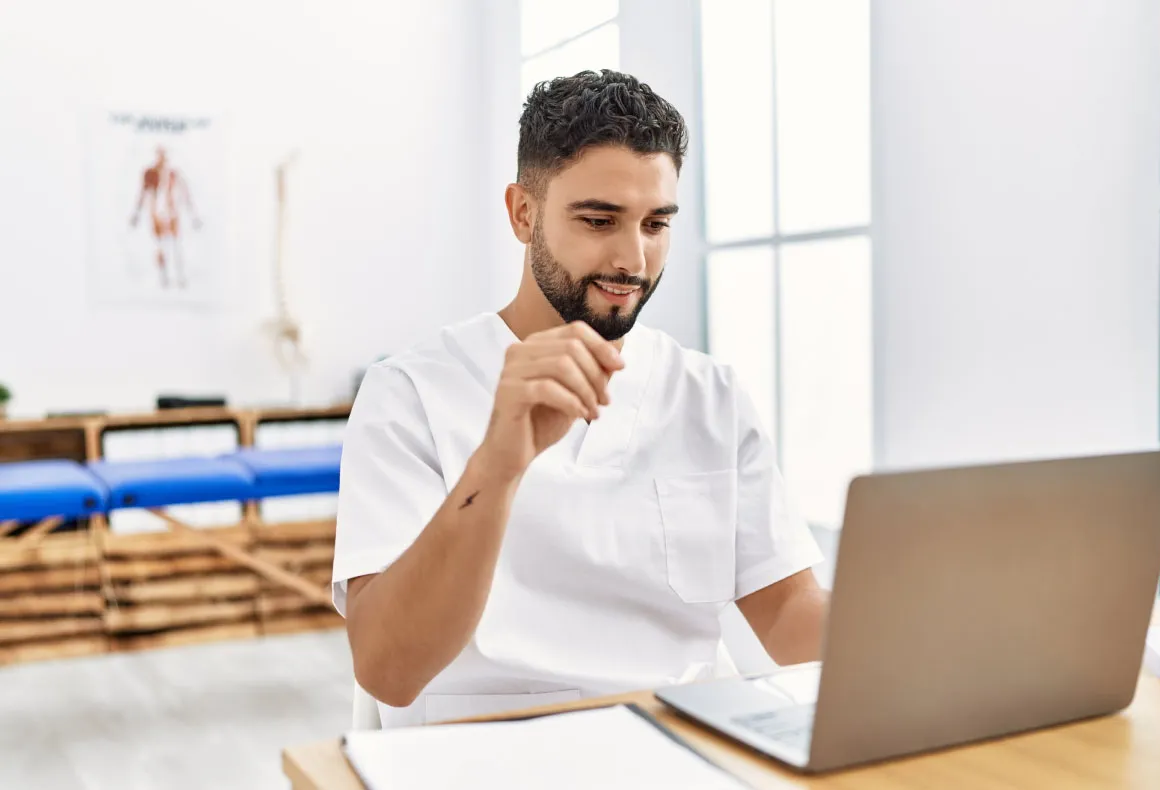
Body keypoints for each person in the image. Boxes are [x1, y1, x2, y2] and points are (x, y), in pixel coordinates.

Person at [334, 70, 829, 728]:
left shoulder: (709, 394)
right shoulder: (410, 394)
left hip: (680, 751)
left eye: (656, 224)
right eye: (600, 220)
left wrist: (937, 633)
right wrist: (498, 463)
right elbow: (388, 670)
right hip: (477, 753)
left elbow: (790, 617)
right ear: (522, 213)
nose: (633, 257)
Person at [129, 145, 200, 288]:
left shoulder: (174, 174)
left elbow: (185, 193)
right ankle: (164, 278)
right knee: (161, 246)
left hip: (171, 212)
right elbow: (142, 194)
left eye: (164, 155)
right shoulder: (149, 173)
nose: (162, 158)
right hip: (157, 213)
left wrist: (193, 216)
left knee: (176, 246)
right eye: (159, 155)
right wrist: (136, 214)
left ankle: (180, 277)